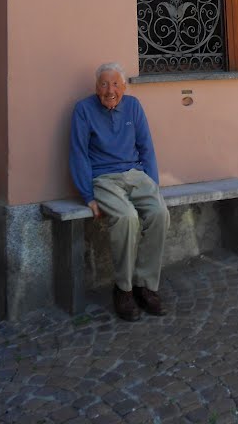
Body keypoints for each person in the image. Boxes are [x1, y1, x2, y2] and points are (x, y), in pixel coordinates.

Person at [69, 62, 170, 322]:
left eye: (115, 84)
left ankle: (145, 285)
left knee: (159, 212)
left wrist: (153, 185)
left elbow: (146, 146)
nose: (109, 89)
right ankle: (123, 289)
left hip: (136, 175)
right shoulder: (83, 110)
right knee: (127, 218)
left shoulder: (134, 106)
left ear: (124, 86)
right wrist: (88, 196)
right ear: (96, 87)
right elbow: (78, 153)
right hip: (104, 178)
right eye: (104, 84)